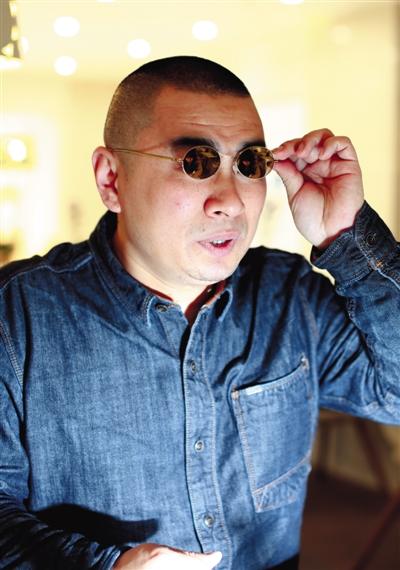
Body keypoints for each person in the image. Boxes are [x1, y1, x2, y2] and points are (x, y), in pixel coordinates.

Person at [0, 55, 399, 570]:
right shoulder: (18, 316)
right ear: (111, 179)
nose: (230, 200)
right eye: (196, 162)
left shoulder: (289, 294)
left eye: (249, 164)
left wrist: (347, 236)